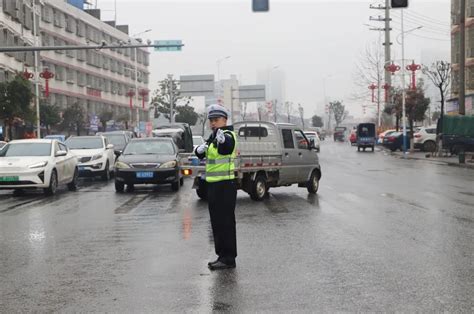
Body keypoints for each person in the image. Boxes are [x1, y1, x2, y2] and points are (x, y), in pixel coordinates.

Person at [195, 104, 238, 270]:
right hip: (213, 186)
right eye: (211, 120)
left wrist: (222, 140)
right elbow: (202, 154)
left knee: (226, 223)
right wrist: (199, 150)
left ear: (225, 120)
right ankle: (221, 255)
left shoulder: (228, 135)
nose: (213, 123)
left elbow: (226, 148)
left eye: (216, 120)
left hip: (225, 185)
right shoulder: (213, 137)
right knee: (217, 223)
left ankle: (229, 258)